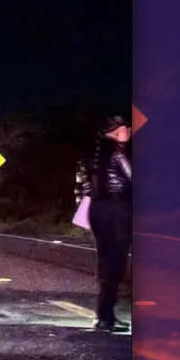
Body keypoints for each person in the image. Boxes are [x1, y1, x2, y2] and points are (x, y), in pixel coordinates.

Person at [75, 115, 133, 333]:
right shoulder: (118, 152)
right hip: (118, 209)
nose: (129, 130)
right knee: (116, 262)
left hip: (97, 210)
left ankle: (104, 315)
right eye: (126, 127)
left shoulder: (93, 156)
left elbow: (83, 186)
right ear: (116, 131)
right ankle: (106, 316)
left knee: (105, 259)